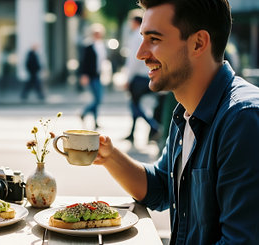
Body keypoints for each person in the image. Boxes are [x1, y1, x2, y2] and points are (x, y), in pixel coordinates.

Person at [94, 0, 259, 244]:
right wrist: (108, 155)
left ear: (198, 43)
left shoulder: (242, 119)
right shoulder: (186, 112)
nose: (140, 54)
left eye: (154, 39)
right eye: (142, 38)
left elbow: (240, 241)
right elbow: (161, 186)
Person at [123, 10, 160, 143]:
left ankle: (154, 127)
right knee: (135, 104)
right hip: (145, 75)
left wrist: (127, 78)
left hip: (138, 77)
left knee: (135, 105)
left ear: (134, 22)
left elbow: (133, 60)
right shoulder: (143, 35)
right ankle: (133, 133)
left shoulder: (136, 36)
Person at [79, 23, 107, 129]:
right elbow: (84, 62)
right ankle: (84, 113)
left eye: (99, 33)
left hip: (99, 74)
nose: (97, 35)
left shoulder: (101, 45)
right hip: (91, 75)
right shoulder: (88, 46)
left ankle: (95, 121)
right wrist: (83, 75)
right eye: (95, 33)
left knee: (96, 98)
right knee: (98, 99)